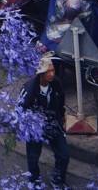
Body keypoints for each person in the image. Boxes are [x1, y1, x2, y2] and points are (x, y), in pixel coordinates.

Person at [19, 54, 69, 187]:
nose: (52, 74)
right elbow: (20, 109)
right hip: (35, 127)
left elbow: (61, 103)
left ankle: (58, 179)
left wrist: (62, 118)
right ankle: (34, 180)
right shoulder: (29, 89)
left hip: (53, 123)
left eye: (53, 70)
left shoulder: (56, 84)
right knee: (33, 156)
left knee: (64, 154)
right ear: (41, 74)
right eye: (48, 71)